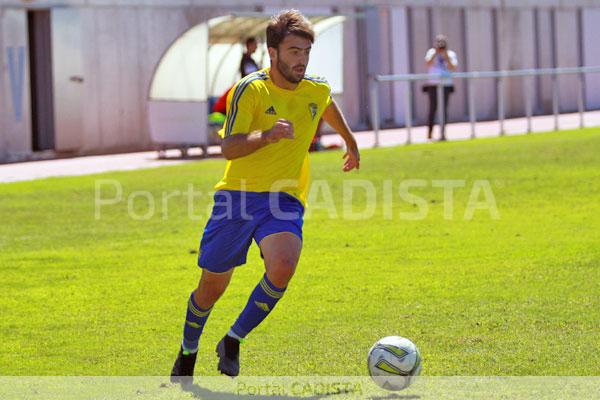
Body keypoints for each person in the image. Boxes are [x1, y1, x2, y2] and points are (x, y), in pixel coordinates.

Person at [170, 9, 360, 384]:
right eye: (293, 51)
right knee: (211, 287)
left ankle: (233, 339)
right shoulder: (250, 89)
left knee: (284, 265)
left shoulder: (315, 88)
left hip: (283, 198)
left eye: (305, 51)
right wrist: (267, 136)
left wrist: (350, 142)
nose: (301, 59)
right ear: (273, 53)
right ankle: (188, 350)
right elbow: (229, 147)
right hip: (237, 198)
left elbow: (324, 104)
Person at [423, 34, 458, 140]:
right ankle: (430, 132)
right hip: (433, 84)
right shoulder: (431, 52)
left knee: (444, 109)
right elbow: (427, 63)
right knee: (432, 109)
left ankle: (443, 133)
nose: (441, 45)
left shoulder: (451, 54)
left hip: (446, 85)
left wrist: (445, 55)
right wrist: (436, 52)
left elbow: (453, 67)